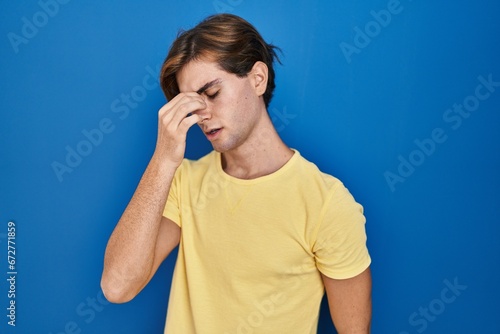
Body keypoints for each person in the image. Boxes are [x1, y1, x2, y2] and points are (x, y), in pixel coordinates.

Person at [101, 13, 372, 333]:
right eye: (191, 103)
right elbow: (118, 287)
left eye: (212, 93)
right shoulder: (183, 181)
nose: (202, 114)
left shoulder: (327, 203)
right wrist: (163, 159)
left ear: (257, 78)